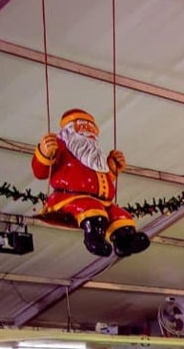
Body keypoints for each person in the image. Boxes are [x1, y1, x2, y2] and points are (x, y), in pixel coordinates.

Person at [31, 107, 149, 257]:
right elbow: (40, 172)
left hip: (102, 202)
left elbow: (100, 179)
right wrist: (43, 153)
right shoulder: (61, 147)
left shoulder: (94, 155)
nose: (88, 132)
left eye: (90, 128)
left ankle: (125, 242)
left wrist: (112, 169)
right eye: (82, 127)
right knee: (93, 209)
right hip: (71, 198)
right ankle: (94, 239)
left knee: (121, 215)